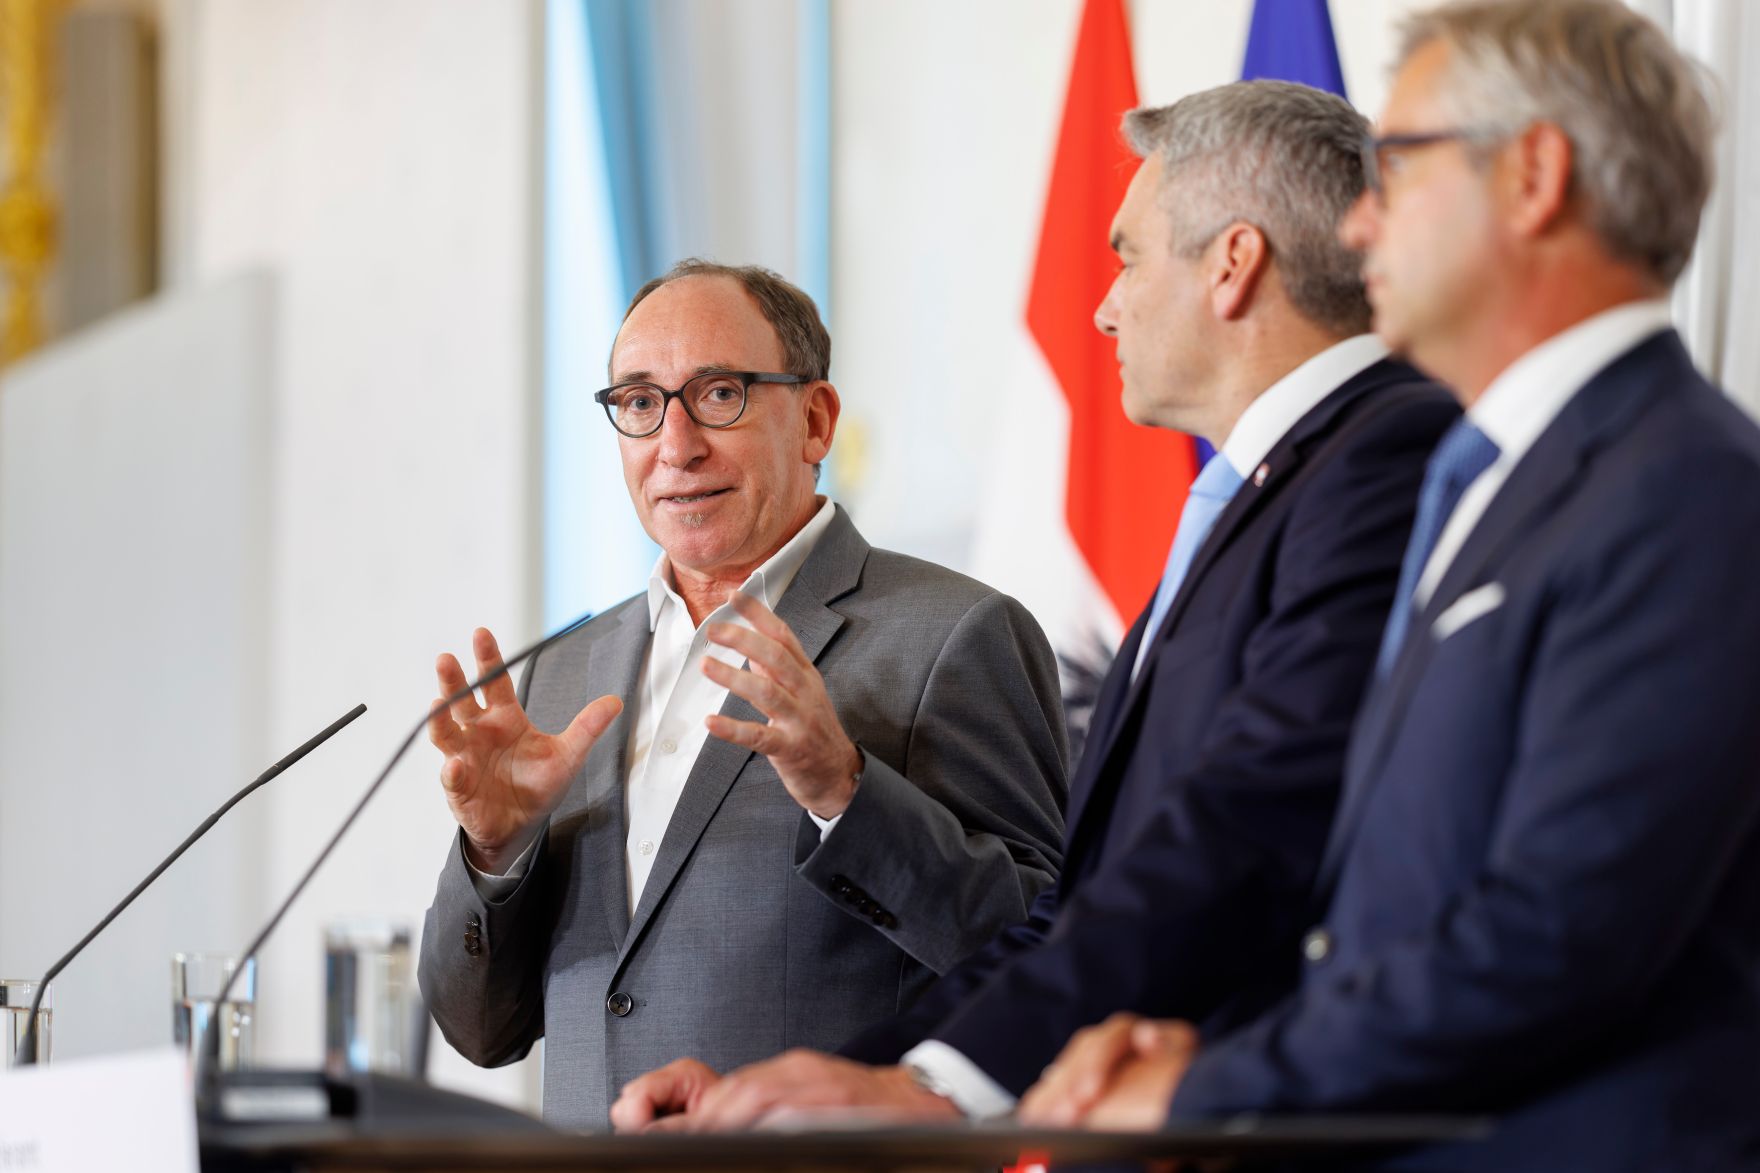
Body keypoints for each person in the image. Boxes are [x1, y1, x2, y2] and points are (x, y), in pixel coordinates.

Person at [610, 81, 1457, 1132]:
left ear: (1232, 265)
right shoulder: (1266, 494)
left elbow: (1245, 833)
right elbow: (1089, 908)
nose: (1102, 305)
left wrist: (919, 1084)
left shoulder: (1387, 458)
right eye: (639, 405)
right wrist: (839, 1083)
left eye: (1127, 257)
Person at [1019, 2, 1760, 1167]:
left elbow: (1555, 932)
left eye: (1396, 168)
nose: (1355, 223)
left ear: (1531, 178)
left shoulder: (1689, 491)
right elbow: (1383, 897)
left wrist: (1212, 1086)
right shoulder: (1483, 482)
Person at [417, 259, 1068, 1129]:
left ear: (814, 419)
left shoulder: (954, 634)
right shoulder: (566, 668)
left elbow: (1045, 956)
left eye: (718, 393)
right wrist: (493, 854)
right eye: (641, 403)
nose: (676, 446)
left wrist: (848, 790)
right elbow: (482, 1029)